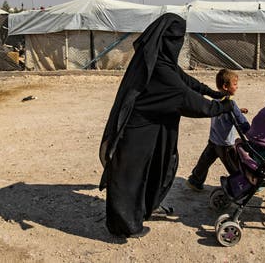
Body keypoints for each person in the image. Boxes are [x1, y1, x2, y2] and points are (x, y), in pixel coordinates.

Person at [98, 13, 233, 238]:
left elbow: (184, 80)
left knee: (157, 168)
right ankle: (124, 225)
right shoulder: (157, 66)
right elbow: (184, 97)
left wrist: (212, 93)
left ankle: (145, 208)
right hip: (138, 130)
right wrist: (221, 107)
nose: (179, 43)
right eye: (176, 39)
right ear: (167, 39)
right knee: (129, 178)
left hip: (155, 127)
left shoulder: (160, 60)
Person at [186, 69, 250, 191]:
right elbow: (241, 121)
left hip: (214, 138)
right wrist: (251, 133)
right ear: (226, 86)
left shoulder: (215, 99)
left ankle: (195, 180)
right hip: (225, 144)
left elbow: (224, 113)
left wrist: (239, 109)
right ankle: (244, 183)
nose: (237, 87)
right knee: (234, 166)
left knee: (205, 161)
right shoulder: (231, 104)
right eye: (235, 84)